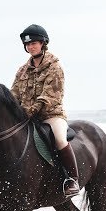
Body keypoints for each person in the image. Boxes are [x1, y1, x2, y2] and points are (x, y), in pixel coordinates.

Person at [10, 24, 80, 198]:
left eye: (34, 43)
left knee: (59, 138)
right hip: (26, 117)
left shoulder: (54, 66)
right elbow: (14, 93)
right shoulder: (22, 70)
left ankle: (72, 179)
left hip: (50, 115)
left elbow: (49, 96)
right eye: (28, 44)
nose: (31, 46)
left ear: (43, 43)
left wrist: (29, 112)